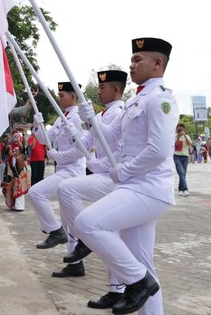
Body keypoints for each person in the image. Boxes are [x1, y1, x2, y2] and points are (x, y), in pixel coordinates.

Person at [74, 37, 178, 315]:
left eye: (137, 60)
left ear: (158, 63)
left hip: (148, 188)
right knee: (142, 260)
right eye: (131, 59)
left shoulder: (161, 99)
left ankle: (137, 281)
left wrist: (124, 170)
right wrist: (92, 119)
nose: (131, 65)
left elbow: (158, 150)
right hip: (135, 186)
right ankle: (142, 282)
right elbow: (110, 137)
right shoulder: (136, 100)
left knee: (88, 223)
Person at [57, 70, 127, 309]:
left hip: (112, 178)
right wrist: (74, 135)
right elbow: (86, 143)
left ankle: (83, 240)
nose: (98, 91)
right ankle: (116, 289)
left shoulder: (120, 113)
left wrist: (100, 163)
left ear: (116, 90)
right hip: (102, 174)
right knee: (111, 234)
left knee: (68, 189)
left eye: (103, 87)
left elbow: (117, 149)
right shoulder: (103, 113)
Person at [28, 82, 86, 278]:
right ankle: (75, 263)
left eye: (62, 95)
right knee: (70, 221)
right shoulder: (62, 119)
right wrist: (37, 124)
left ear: (73, 96)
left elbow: (81, 150)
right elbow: (44, 139)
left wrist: (56, 157)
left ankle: (55, 231)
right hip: (63, 171)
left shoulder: (77, 118)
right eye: (59, 95)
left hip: (72, 172)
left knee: (35, 192)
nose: (59, 98)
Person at [173, 123, 192, 196]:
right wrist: (178, 137)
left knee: (183, 174)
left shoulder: (186, 136)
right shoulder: (174, 136)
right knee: (181, 173)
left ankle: (181, 189)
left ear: (184, 129)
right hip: (177, 156)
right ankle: (185, 189)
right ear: (177, 129)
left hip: (185, 156)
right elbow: (175, 146)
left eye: (182, 129)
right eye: (179, 129)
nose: (180, 130)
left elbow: (189, 144)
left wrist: (184, 135)